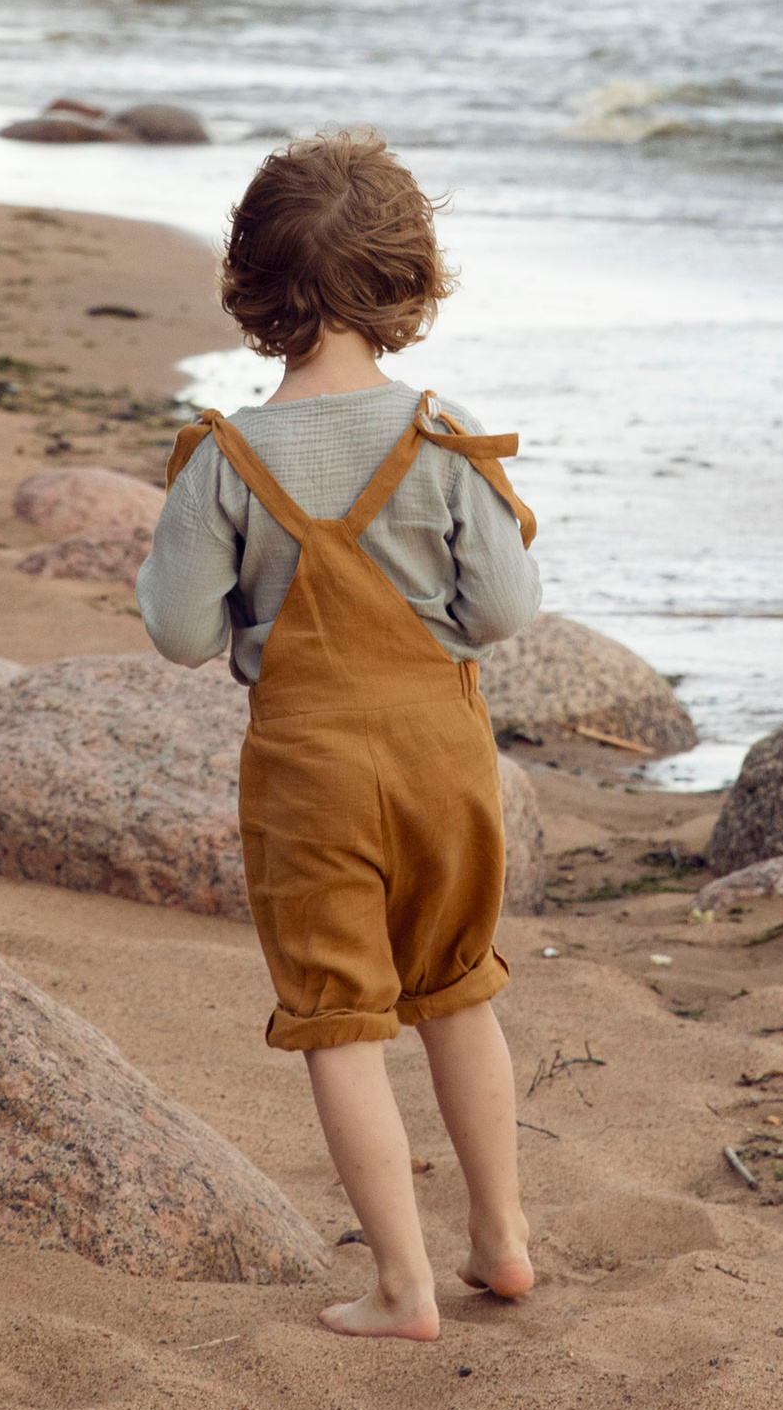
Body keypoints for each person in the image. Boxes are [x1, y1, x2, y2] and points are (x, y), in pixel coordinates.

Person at [136, 129, 542, 1341]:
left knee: (339, 1019)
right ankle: (502, 1243)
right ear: (408, 279)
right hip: (440, 757)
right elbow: (504, 611)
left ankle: (402, 1288)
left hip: (307, 770)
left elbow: (180, 634)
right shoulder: (442, 433)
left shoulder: (225, 460)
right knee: (457, 988)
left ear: (251, 283)